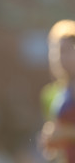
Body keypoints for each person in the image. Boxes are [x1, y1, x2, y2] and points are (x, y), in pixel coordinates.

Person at [39, 19, 75, 162]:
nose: (61, 57)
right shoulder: (50, 94)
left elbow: (63, 133)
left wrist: (66, 134)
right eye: (56, 51)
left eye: (67, 50)